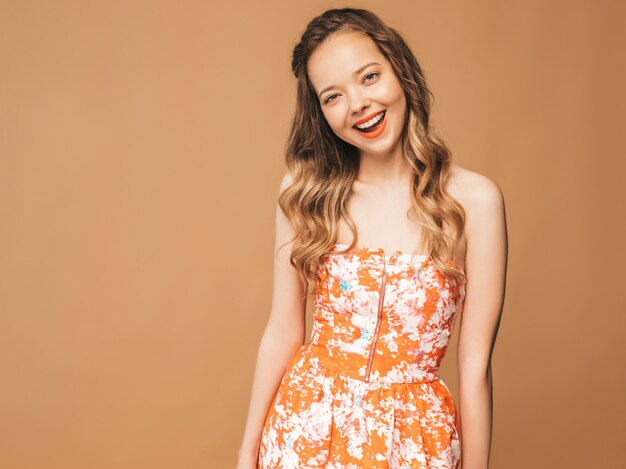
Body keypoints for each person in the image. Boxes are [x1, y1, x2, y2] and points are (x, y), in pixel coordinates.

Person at [237, 7, 507, 469]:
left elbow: (475, 364)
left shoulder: (475, 201)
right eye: (332, 96)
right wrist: (248, 452)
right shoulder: (304, 193)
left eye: (368, 77)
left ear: (400, 71)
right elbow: (283, 329)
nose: (357, 104)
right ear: (320, 113)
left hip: (416, 445)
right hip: (302, 434)